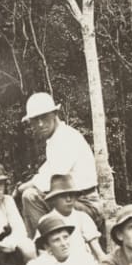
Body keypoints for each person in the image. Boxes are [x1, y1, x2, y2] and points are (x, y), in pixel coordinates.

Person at [14, 93, 100, 238]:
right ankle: (45, 243)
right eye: (35, 120)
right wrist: (20, 187)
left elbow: (52, 179)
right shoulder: (55, 140)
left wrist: (21, 188)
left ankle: (42, 247)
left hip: (85, 204)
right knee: (30, 194)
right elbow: (44, 172)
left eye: (44, 117)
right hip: (70, 201)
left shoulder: (66, 138)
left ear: (54, 114)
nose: (40, 124)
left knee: (30, 196)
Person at [34, 174, 106, 263]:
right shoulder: (46, 220)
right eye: (63, 196)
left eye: (71, 195)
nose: (68, 199)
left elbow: (98, 252)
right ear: (54, 199)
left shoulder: (82, 217)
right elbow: (42, 253)